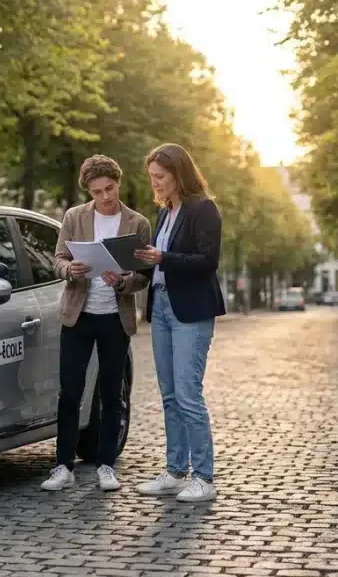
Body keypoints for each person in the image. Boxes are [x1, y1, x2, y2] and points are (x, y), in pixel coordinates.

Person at [42, 155, 152, 492]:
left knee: (111, 394)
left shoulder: (138, 223)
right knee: (69, 392)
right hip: (78, 314)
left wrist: (123, 282)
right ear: (88, 190)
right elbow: (58, 259)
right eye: (97, 191)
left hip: (114, 318)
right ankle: (62, 465)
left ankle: (106, 465)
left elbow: (144, 275)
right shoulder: (74, 217)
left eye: (110, 188)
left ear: (118, 182)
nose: (105, 196)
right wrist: (68, 270)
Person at [132, 143, 227, 503]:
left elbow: (208, 260)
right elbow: (159, 263)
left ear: (178, 175)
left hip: (190, 310)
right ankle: (175, 471)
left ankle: (204, 476)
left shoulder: (203, 209)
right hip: (160, 308)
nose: (154, 183)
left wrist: (164, 257)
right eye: (152, 177)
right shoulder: (165, 214)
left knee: (188, 394)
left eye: (160, 177)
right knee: (169, 395)